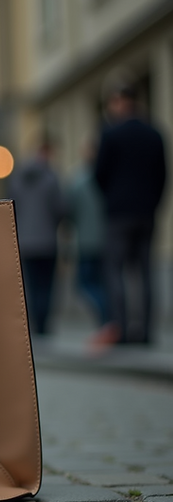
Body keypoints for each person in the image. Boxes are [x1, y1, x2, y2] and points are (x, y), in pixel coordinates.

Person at [95, 83, 167, 344]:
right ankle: (146, 332)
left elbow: (99, 174)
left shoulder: (111, 134)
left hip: (118, 213)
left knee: (115, 271)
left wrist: (112, 199)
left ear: (121, 102)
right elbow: (162, 176)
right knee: (146, 271)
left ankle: (122, 330)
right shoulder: (154, 134)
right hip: (146, 212)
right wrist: (153, 204)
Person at [8, 141, 65, 336]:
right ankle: (43, 324)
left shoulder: (17, 179)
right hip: (47, 241)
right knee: (47, 285)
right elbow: (60, 209)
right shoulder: (51, 178)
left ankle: (33, 324)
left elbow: (11, 209)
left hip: (25, 242)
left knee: (30, 286)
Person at [67, 141, 109, 328]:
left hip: (85, 241)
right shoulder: (108, 180)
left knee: (85, 284)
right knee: (102, 283)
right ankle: (107, 319)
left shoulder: (79, 181)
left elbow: (69, 211)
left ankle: (106, 318)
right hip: (105, 240)